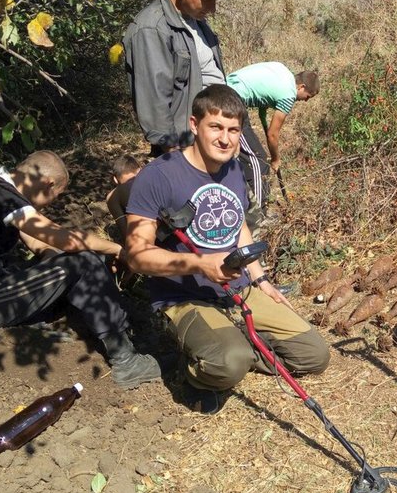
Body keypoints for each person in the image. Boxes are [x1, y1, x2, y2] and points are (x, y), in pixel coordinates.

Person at [123, 85, 330, 413]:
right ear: (194, 125)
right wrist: (199, 264)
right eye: (215, 127)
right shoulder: (158, 176)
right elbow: (136, 255)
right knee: (230, 364)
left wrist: (260, 279)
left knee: (314, 355)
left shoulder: (233, 167)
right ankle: (200, 368)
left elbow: (239, 224)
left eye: (233, 130)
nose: (225, 138)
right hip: (185, 296)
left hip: (238, 289)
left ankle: (236, 342)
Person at [0, 151, 163, 389]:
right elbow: (63, 238)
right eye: (56, 196)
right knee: (83, 262)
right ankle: (127, 362)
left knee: (82, 259)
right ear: (48, 184)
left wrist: (56, 259)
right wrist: (117, 250)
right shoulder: (2, 196)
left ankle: (112, 323)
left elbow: (38, 242)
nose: (51, 203)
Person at [121, 0, 269, 211]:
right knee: (196, 213)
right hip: (186, 142)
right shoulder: (152, 28)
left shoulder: (195, 21)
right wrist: (174, 154)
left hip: (215, 127)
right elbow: (153, 98)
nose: (213, 8)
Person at [226, 63, 320, 172]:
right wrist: (276, 159)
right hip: (231, 100)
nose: (306, 100)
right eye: (308, 96)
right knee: (259, 159)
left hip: (223, 85)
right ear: (301, 87)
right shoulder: (289, 95)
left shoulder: (283, 70)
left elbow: (262, 87)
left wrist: (263, 116)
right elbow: (272, 135)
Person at [105, 154, 143, 239]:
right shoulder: (154, 176)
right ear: (139, 169)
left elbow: (126, 232)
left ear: (114, 179)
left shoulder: (113, 196)